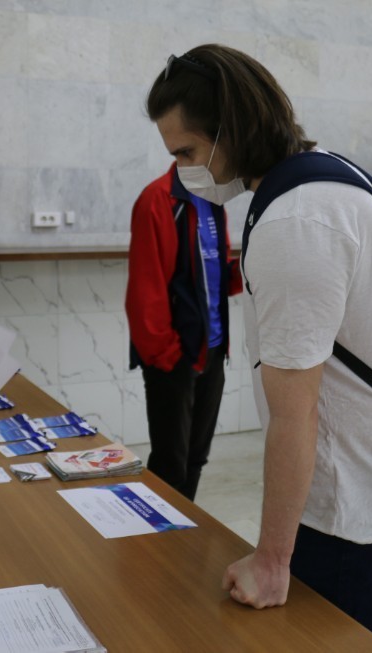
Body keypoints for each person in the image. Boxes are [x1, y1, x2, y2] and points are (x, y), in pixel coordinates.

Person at [144, 45, 372, 642]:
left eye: (187, 151)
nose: (183, 169)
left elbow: (295, 411)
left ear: (232, 130)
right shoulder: (328, 174)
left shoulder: (293, 223)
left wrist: (273, 560)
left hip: (346, 513)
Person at [125, 164, 242, 501]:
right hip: (174, 358)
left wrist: (247, 268)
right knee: (170, 466)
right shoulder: (158, 199)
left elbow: (213, 276)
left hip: (214, 350)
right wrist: (168, 357)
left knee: (196, 460)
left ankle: (181, 541)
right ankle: (158, 549)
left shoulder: (214, 200)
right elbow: (145, 293)